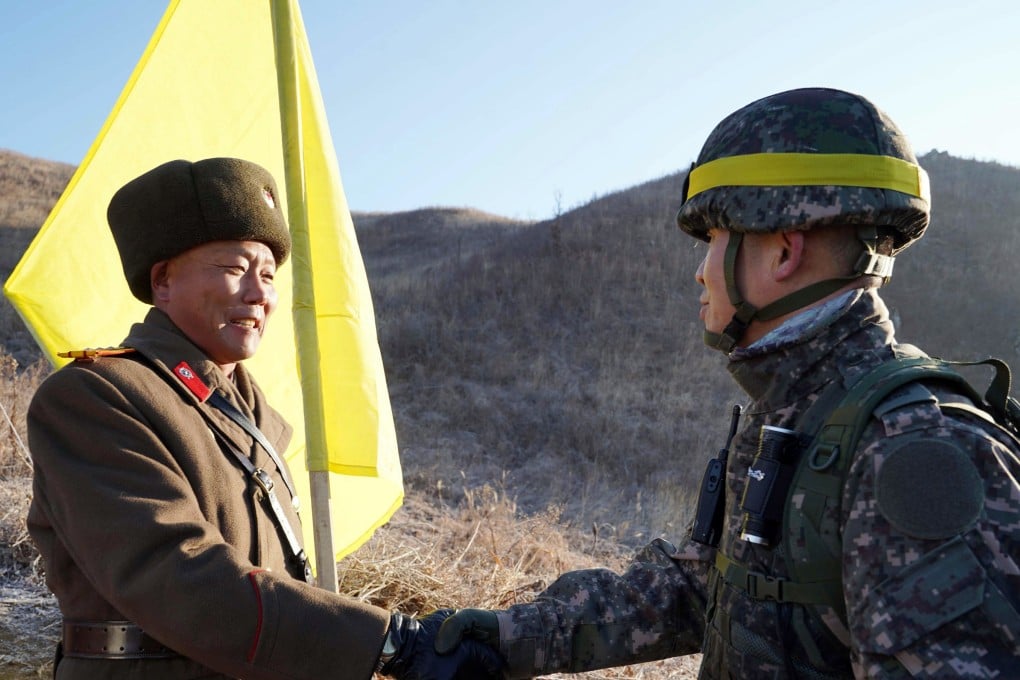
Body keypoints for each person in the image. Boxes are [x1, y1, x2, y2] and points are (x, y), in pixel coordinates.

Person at [434, 87, 1020, 677]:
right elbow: (699, 591)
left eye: (713, 240)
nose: (700, 271)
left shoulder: (918, 452)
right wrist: (506, 638)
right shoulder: (796, 413)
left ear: (783, 251)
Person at [26, 157, 502, 680]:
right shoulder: (95, 398)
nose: (260, 294)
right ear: (163, 281)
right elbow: (180, 577)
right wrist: (390, 644)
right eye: (234, 269)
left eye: (269, 275)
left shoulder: (257, 418)